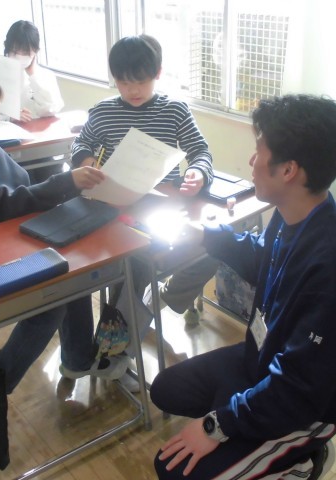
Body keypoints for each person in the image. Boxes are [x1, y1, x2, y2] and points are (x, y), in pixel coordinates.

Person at [150, 94, 336, 479]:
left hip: (307, 405)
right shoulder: (296, 213)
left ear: (288, 170)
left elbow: (298, 388)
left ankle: (304, 457)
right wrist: (208, 236)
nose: (252, 161)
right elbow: (264, 257)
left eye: (259, 151)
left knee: (173, 472)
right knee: (167, 390)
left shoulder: (334, 266)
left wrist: (217, 425)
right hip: (265, 360)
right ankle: (254, 432)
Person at [0, 67, 129, 393]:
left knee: (72, 275)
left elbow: (21, 189)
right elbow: (3, 204)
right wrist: (65, 182)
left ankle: (78, 359)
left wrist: (69, 187)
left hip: (9, 244)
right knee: (51, 304)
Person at [71, 34, 216, 367]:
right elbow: (80, 145)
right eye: (124, 82)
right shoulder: (104, 111)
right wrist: (86, 162)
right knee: (135, 263)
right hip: (118, 207)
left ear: (158, 74)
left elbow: (200, 151)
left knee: (214, 246)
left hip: (163, 206)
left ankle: (155, 301)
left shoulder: (174, 110)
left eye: (141, 82)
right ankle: (117, 351)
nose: (133, 90)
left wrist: (198, 172)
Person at [3, 20, 65, 182]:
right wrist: (10, 115)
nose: (18, 55)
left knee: (51, 175)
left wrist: (32, 75)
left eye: (24, 51)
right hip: (12, 144)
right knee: (23, 178)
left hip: (40, 142)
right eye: (14, 51)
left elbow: (50, 109)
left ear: (35, 51)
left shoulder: (45, 75)